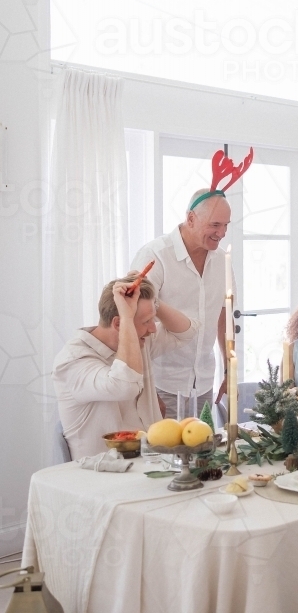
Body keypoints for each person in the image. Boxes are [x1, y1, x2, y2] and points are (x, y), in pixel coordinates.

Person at [53, 275, 196, 460]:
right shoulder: (73, 361)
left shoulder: (139, 341)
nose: (153, 329)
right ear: (119, 323)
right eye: (146, 322)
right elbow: (124, 386)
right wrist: (128, 317)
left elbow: (185, 333)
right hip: (103, 478)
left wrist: (154, 302)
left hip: (150, 467)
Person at [130, 188, 233, 418]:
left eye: (226, 225)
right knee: (164, 454)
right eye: (215, 224)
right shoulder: (155, 255)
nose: (222, 233)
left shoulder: (221, 261)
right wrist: (146, 388)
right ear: (191, 218)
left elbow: (222, 318)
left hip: (204, 382)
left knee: (205, 452)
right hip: (161, 384)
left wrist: (229, 371)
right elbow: (133, 323)